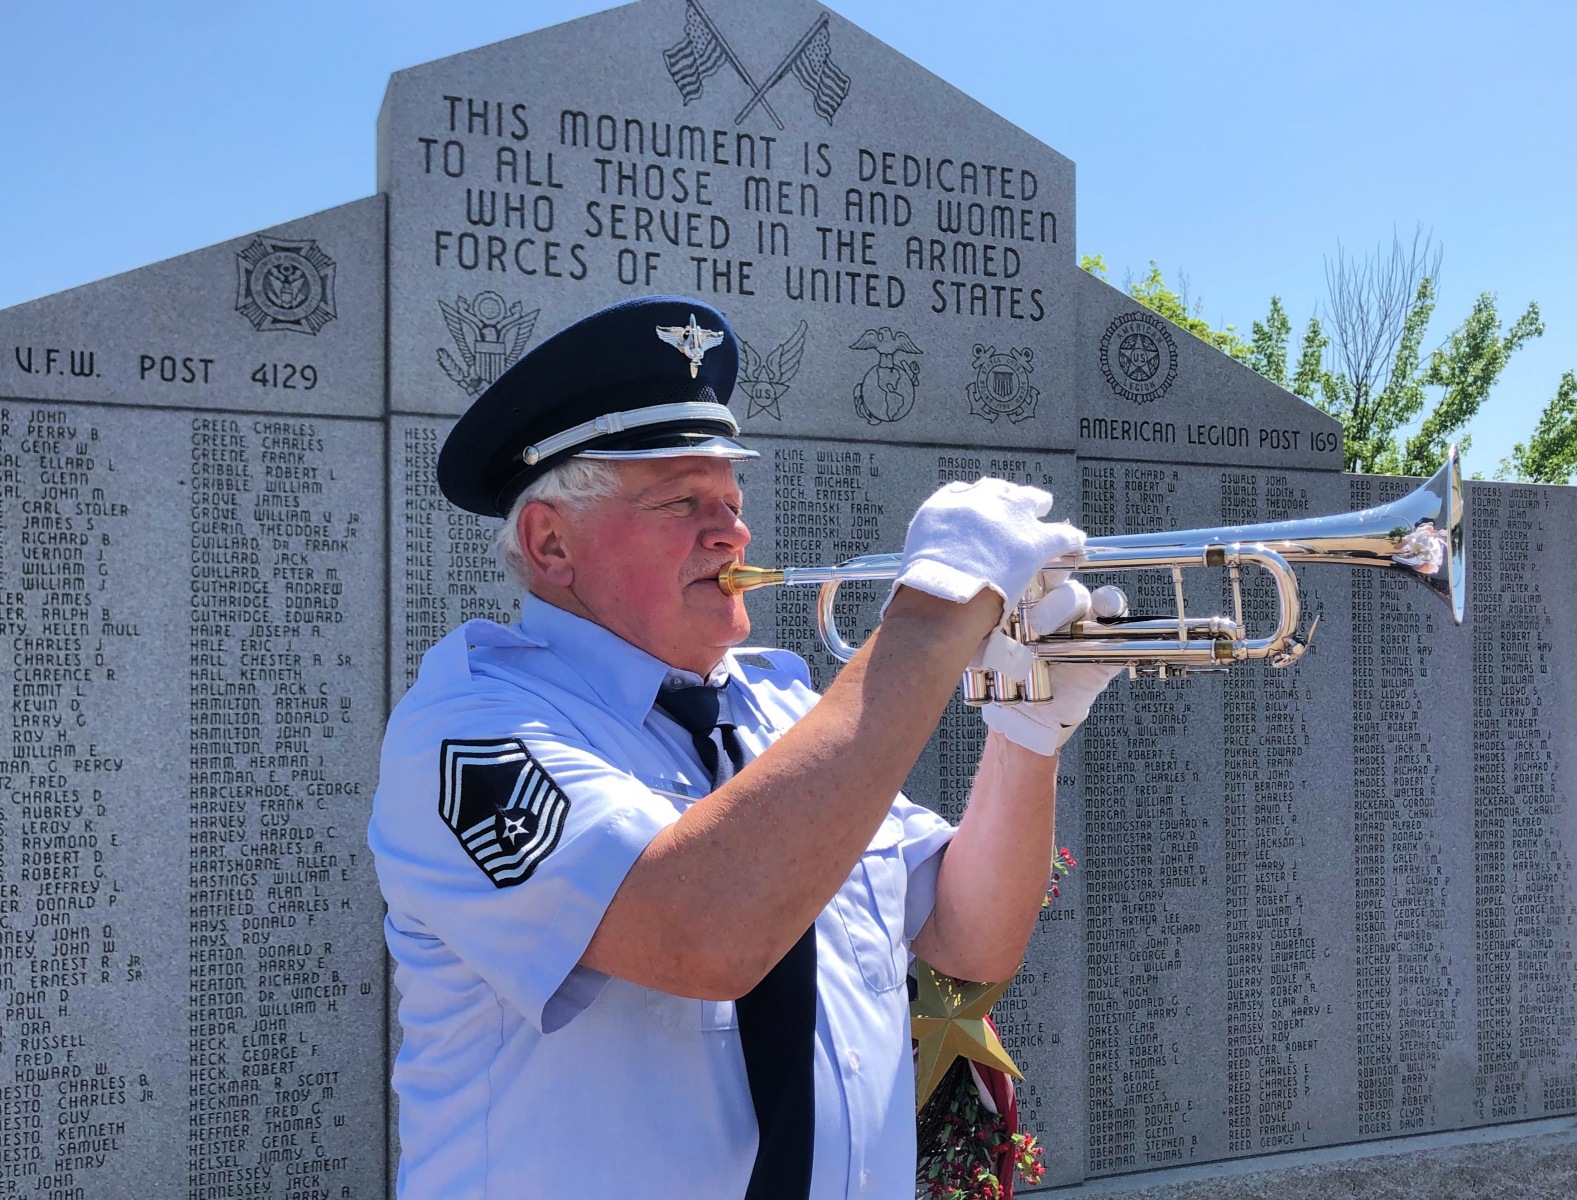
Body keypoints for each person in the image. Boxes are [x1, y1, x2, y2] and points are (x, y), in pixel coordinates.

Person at [369, 295, 1121, 1199]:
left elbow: (967, 939)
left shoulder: (778, 704)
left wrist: (1024, 732)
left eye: (730, 498)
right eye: (681, 500)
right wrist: (932, 612)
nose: (732, 532)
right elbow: (704, 934)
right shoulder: (471, 727)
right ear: (550, 541)